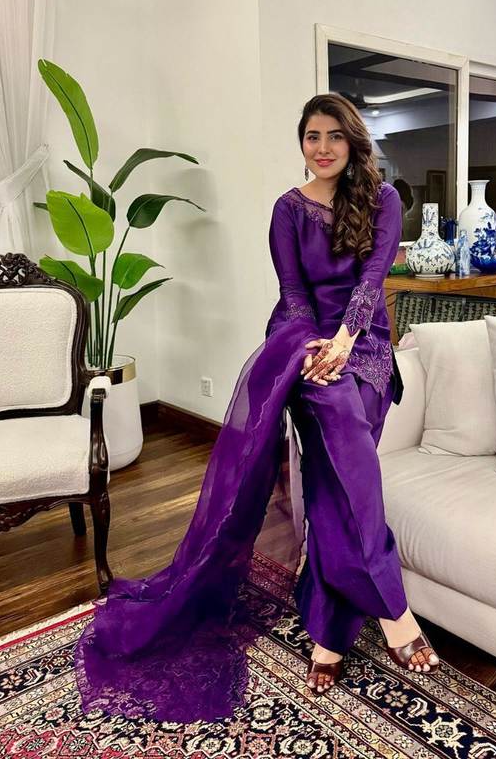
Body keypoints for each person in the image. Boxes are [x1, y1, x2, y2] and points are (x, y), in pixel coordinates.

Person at [73, 92, 440, 723]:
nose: (322, 148)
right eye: (311, 136)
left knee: (331, 483)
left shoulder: (383, 200)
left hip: (367, 347)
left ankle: (329, 628)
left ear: (352, 141)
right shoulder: (287, 210)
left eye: (334, 135)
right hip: (302, 346)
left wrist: (346, 341)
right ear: (301, 143)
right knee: (338, 438)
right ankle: (394, 612)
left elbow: (372, 280)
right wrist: (313, 349)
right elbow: (293, 295)